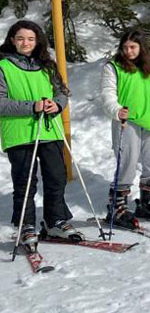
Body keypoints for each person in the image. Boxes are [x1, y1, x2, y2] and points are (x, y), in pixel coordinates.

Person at [1, 20, 80, 245]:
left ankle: (54, 221)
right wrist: (32, 106)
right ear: (12, 40)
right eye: (20, 38)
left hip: (49, 130)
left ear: (37, 42)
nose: (25, 43)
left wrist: (57, 104)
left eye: (30, 39)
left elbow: (62, 92)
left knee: (56, 177)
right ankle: (25, 225)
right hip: (20, 133)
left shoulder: (47, 64)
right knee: (25, 182)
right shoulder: (3, 66)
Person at [100, 29, 150, 228]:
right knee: (127, 163)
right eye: (125, 48)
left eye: (133, 47)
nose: (129, 51)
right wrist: (116, 109)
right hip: (127, 120)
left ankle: (147, 201)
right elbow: (107, 94)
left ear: (141, 47)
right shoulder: (113, 67)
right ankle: (116, 206)